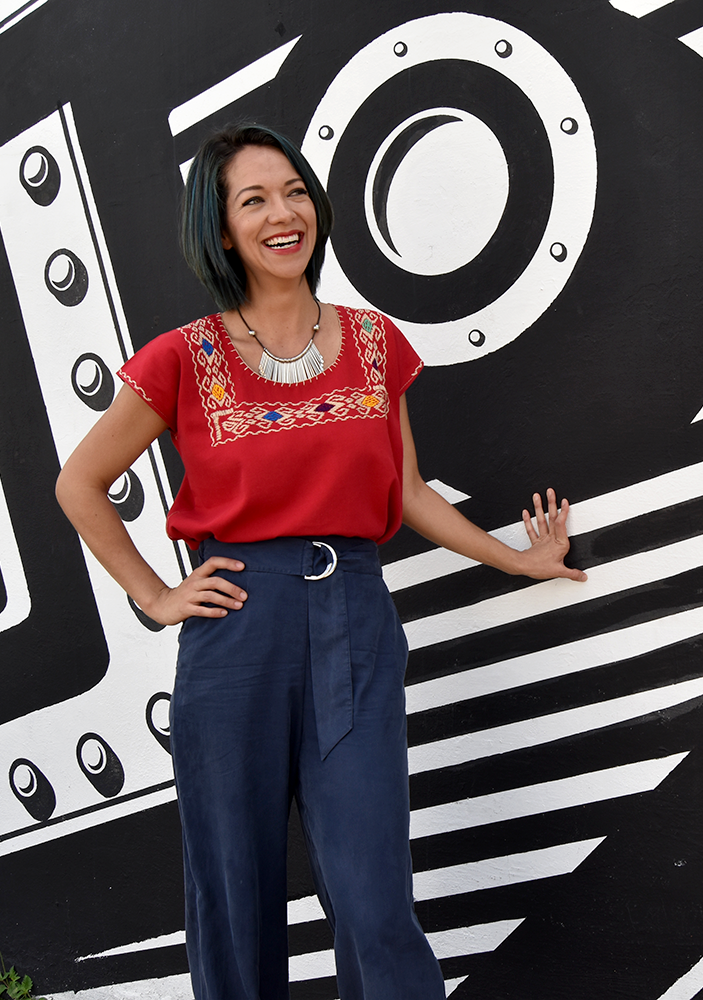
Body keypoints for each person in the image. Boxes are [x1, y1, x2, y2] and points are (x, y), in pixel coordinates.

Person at [55, 123, 586, 999]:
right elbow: (81, 482)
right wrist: (153, 596)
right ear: (222, 230)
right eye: (253, 199)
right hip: (237, 630)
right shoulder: (184, 358)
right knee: (237, 892)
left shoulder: (375, 344)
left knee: (375, 895)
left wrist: (518, 561)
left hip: (357, 622)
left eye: (294, 191)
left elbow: (407, 491)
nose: (282, 213)